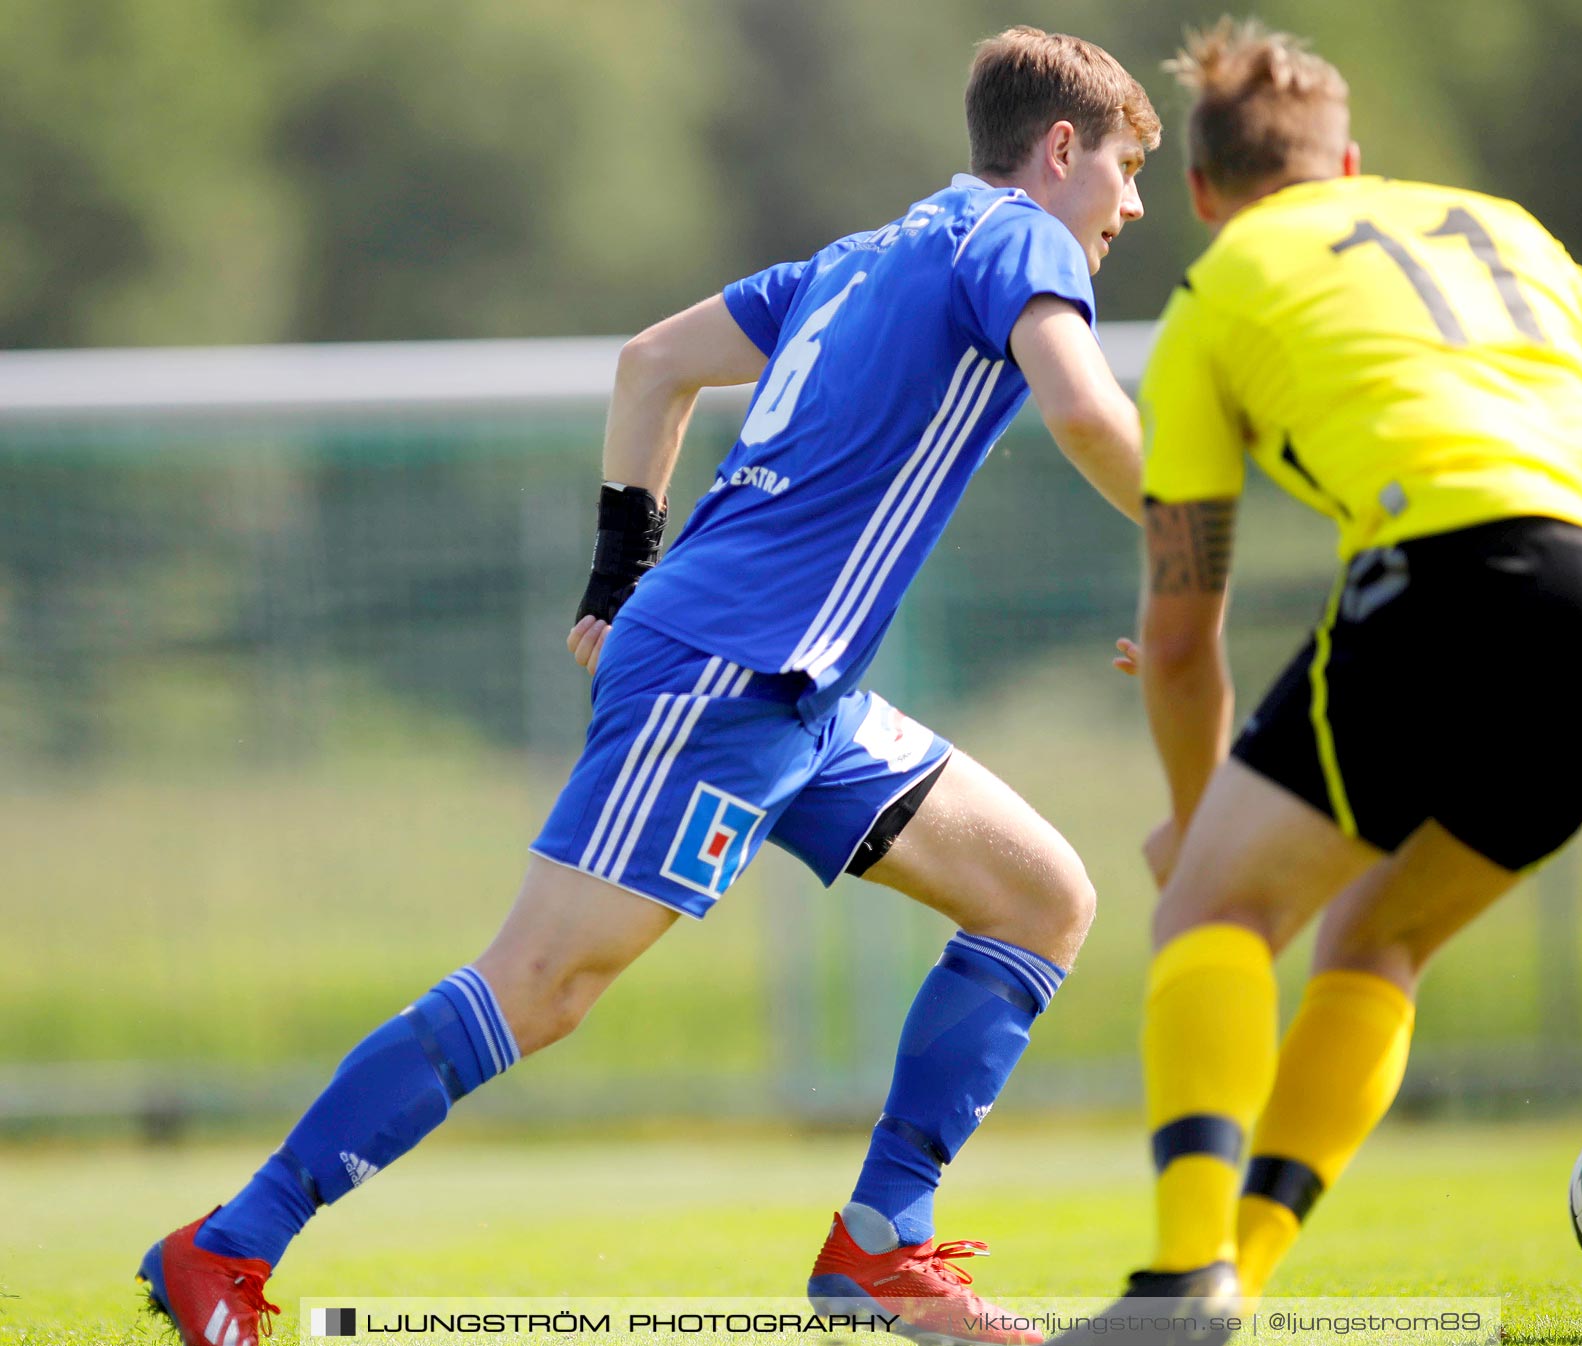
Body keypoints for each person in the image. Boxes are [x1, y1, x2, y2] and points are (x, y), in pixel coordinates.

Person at [136, 26, 1160, 1346]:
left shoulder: (860, 258)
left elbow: (651, 364)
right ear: (1060, 149)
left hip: (803, 684)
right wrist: (1201, 535)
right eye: (1127, 166)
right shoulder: (1019, 237)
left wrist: (619, 579)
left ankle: (882, 1245)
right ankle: (227, 1244)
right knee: (545, 981)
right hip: (729, 668)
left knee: (1039, 897)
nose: (1131, 203)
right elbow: (1083, 410)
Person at [1062, 18, 1582, 1345]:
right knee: (1378, 934)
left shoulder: (1220, 292)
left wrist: (1197, 831)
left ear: (1199, 193)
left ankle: (1186, 1277)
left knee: (1212, 911)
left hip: (1465, 577)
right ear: (1350, 164)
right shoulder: (1504, 223)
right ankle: (1238, 1276)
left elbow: (1181, 633)